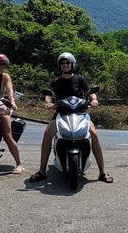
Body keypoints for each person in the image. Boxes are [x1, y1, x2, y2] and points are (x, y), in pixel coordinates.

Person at [29, 52, 113, 183]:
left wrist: (94, 100)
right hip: (61, 113)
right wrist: (48, 102)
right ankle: (42, 170)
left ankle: (102, 172)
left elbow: (89, 92)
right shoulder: (56, 81)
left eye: (67, 63)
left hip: (81, 112)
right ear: (60, 65)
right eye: (62, 63)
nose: (65, 65)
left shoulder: (80, 79)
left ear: (72, 64)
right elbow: (49, 94)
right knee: (48, 133)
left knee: (94, 133)